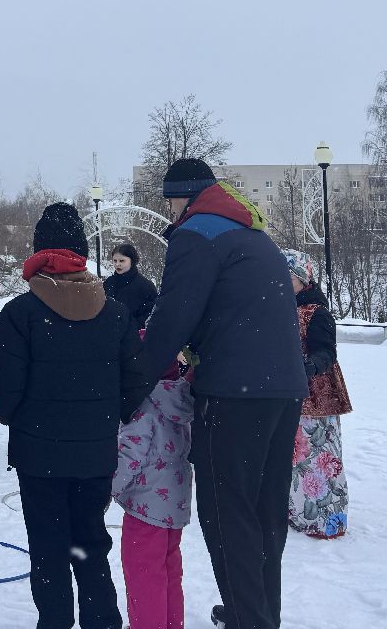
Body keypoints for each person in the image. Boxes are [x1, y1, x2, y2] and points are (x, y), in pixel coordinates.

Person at [138, 160, 307, 629]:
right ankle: (254, 613)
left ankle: (248, 621)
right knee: (264, 513)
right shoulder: (249, 231)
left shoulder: (198, 232)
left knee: (227, 514)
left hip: (235, 392)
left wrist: (130, 387)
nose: (170, 212)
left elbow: (173, 318)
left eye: (169, 201)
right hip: (283, 388)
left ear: (181, 196)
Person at [0, 202, 144, 629]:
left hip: (39, 458)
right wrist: (104, 418)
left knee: (48, 548)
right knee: (91, 544)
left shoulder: (21, 314)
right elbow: (136, 381)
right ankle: (102, 622)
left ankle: (54, 622)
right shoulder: (114, 312)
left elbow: (3, 394)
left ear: (40, 253)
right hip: (94, 456)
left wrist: (24, 419)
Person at [113, 338, 193, 629]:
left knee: (143, 576)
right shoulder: (180, 399)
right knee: (169, 572)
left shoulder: (144, 404)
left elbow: (129, 457)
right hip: (174, 506)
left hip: (145, 510)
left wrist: (106, 489)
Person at [283, 249, 352, 541]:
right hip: (289, 392)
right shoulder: (280, 309)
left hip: (316, 396)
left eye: (288, 278)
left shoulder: (317, 312)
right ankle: (299, 513)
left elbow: (327, 351)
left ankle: (328, 519)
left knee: (319, 455)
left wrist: (308, 366)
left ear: (302, 279)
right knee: (296, 458)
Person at [104, 242, 158, 331]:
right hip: (109, 335)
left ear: (132, 261)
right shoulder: (108, 283)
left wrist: (129, 327)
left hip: (133, 337)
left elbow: (151, 315)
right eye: (115, 261)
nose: (117, 264)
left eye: (122, 261)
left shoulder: (146, 286)